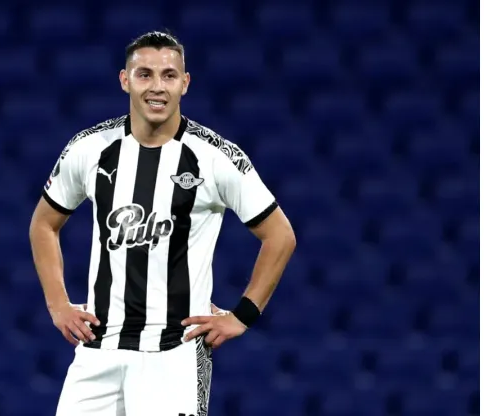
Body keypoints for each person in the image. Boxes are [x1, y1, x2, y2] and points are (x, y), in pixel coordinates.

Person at [29, 30, 296, 416]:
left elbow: (279, 236)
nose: (157, 87)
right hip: (97, 353)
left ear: (185, 84)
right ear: (125, 80)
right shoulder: (90, 149)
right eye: (145, 74)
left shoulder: (215, 157)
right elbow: (43, 223)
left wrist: (242, 315)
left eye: (169, 75)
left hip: (174, 355)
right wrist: (57, 305)